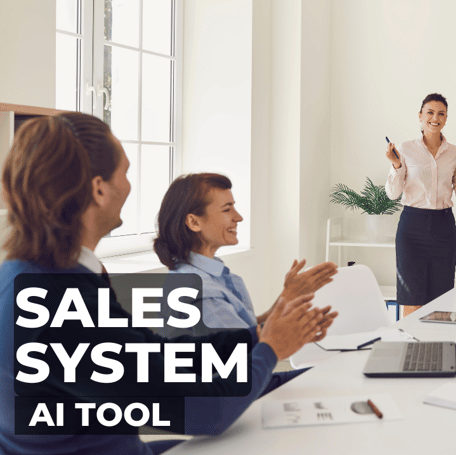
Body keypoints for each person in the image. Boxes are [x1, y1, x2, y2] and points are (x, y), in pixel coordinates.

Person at [0, 113, 326, 454]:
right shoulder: (62, 306)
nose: (129, 185)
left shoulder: (27, 273)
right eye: (124, 172)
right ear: (99, 189)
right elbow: (205, 413)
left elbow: (150, 352)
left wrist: (255, 337)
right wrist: (271, 349)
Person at [153, 172, 339, 336]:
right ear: (194, 222)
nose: (238, 217)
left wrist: (288, 298)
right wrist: (295, 320)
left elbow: (247, 331)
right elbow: (242, 352)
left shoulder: (213, 276)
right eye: (227, 209)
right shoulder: (203, 294)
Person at [385, 93, 456, 316]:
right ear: (420, 116)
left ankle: (437, 348)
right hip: (411, 227)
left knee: (442, 299)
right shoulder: (405, 149)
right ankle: (412, 347)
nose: (435, 117)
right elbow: (393, 194)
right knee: (412, 300)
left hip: (443, 227)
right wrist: (395, 166)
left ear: (446, 118)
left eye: (441, 113)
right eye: (430, 112)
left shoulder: (455, 153)